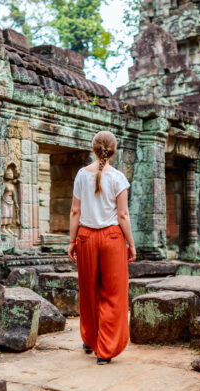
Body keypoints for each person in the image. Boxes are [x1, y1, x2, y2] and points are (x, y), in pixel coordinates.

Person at [68, 130, 137, 365]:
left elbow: (75, 211)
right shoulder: (118, 177)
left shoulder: (80, 175)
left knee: (88, 290)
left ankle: (89, 339)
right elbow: (123, 215)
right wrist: (131, 243)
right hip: (111, 238)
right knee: (113, 293)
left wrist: (72, 240)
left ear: (93, 149)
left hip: (85, 237)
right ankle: (104, 350)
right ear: (113, 151)